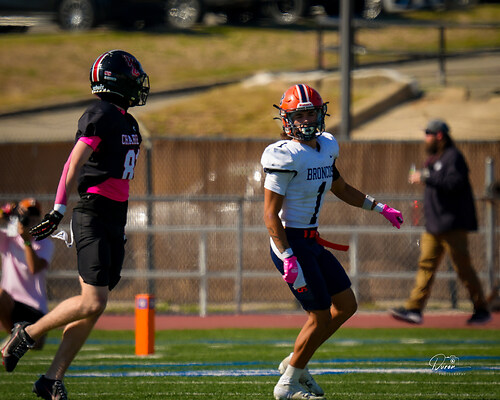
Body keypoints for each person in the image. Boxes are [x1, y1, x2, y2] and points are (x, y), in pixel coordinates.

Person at [1, 49, 149, 400]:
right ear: (117, 81)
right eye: (132, 78)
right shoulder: (100, 114)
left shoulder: (128, 121)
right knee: (93, 301)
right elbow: (73, 164)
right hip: (93, 212)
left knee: (95, 303)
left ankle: (51, 378)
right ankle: (26, 334)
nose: (138, 84)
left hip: (115, 216)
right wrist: (58, 210)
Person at [261, 84, 403, 400]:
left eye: (311, 113)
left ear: (321, 113)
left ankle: (295, 363)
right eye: (300, 115)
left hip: (311, 241)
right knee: (320, 315)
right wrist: (287, 255)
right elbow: (270, 215)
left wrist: (380, 208)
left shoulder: (326, 146)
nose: (306, 120)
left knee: (347, 306)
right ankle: (286, 386)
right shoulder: (283, 155)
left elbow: (342, 188)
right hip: (291, 243)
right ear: (287, 120)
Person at [390, 119, 491, 325]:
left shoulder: (453, 157)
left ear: (439, 135)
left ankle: (481, 309)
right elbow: (436, 180)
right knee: (425, 266)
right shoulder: (435, 159)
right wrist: (426, 176)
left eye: (428, 133)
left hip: (452, 225)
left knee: (463, 268)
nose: (425, 138)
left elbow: (454, 183)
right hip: (434, 225)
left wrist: (426, 177)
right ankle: (414, 309)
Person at [0, 199, 54, 350]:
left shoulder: (45, 243)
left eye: (35, 215)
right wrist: (4, 213)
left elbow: (34, 268)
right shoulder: (8, 239)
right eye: (28, 216)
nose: (32, 220)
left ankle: (19, 337)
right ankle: (14, 337)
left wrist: (27, 241)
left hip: (34, 306)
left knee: (37, 346)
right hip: (11, 302)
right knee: (0, 295)